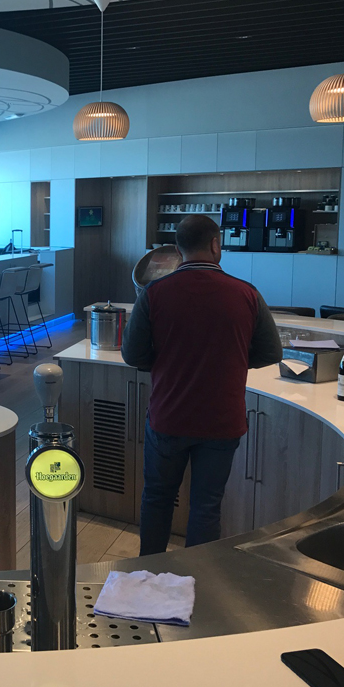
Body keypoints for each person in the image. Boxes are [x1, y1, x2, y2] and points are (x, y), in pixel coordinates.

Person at [122, 214, 282, 555]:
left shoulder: (154, 293)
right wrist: (231, 360)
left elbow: (132, 354)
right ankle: (198, 579)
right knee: (207, 507)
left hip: (169, 417)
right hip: (222, 421)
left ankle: (148, 573)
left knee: (157, 498)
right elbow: (271, 351)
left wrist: (166, 362)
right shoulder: (247, 293)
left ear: (178, 250)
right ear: (215, 244)